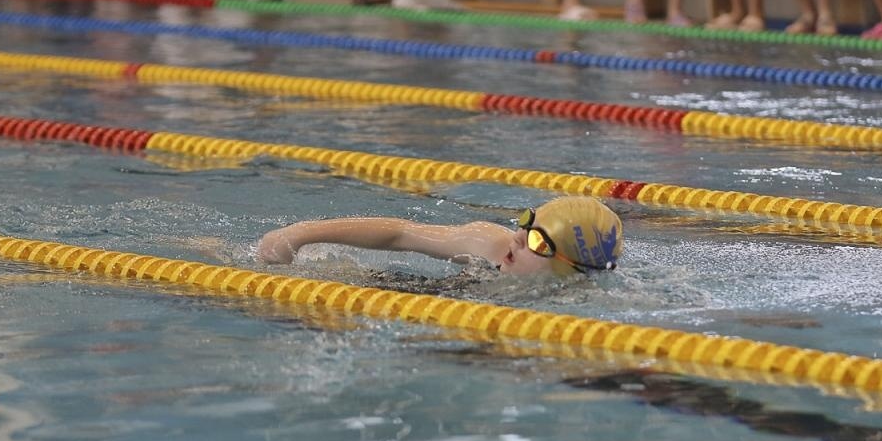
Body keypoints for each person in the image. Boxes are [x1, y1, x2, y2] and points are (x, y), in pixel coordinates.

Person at [256, 196, 623, 276]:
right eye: (525, 224)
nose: (516, 238)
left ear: (571, 267)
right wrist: (299, 233)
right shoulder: (489, 244)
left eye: (537, 242)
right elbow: (401, 233)